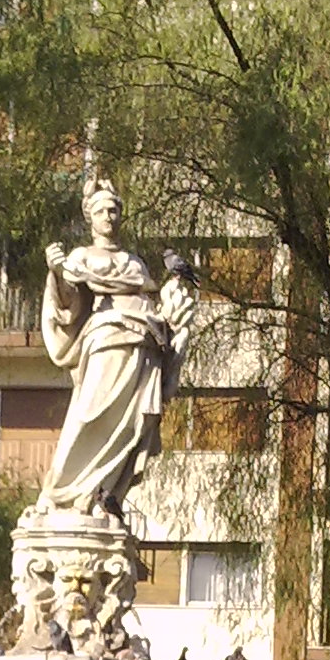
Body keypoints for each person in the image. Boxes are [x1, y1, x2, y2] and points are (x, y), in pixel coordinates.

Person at [35, 179, 196, 518]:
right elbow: (69, 303)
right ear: (89, 217)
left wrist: (172, 319)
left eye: (114, 210)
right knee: (88, 415)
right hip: (106, 339)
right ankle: (62, 491)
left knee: (130, 426)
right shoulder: (80, 257)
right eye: (102, 210)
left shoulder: (134, 262)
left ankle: (103, 494)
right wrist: (56, 272)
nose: (109, 216)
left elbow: (151, 304)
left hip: (144, 347)